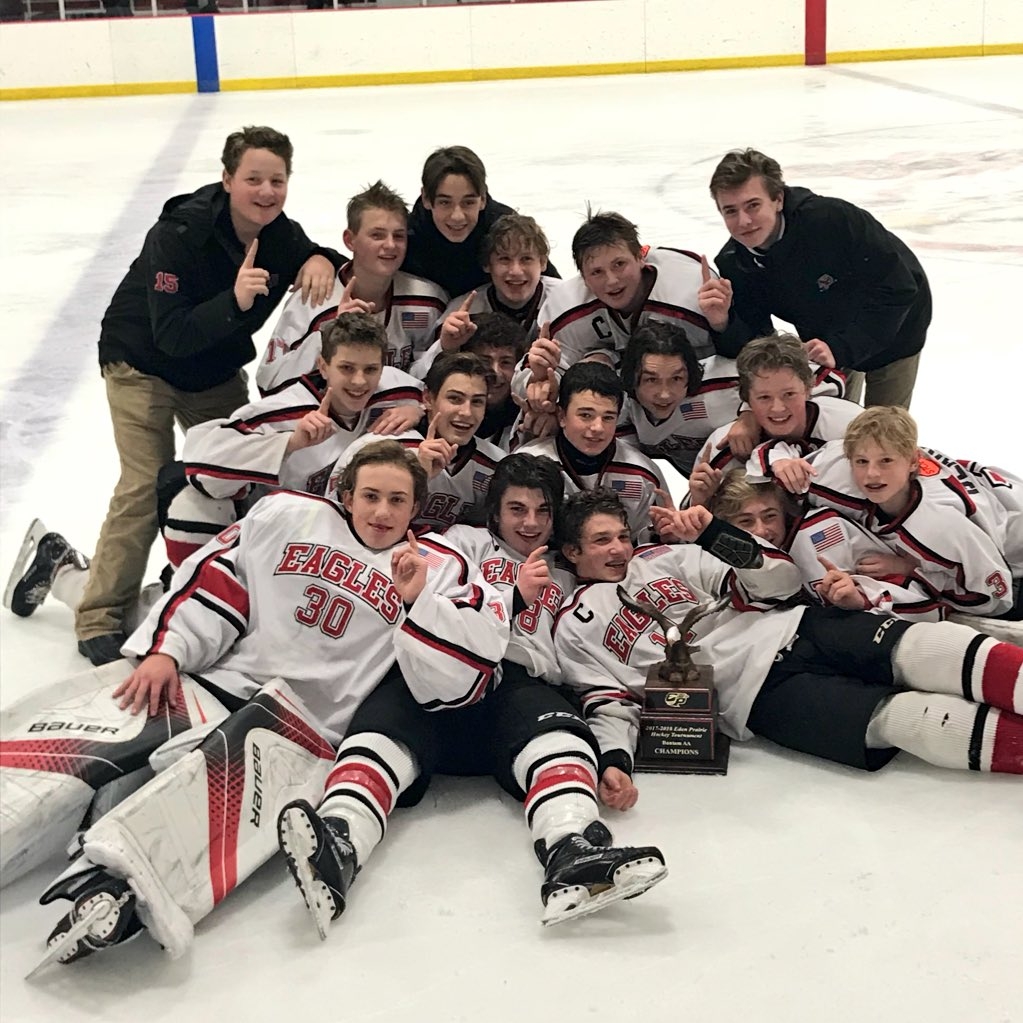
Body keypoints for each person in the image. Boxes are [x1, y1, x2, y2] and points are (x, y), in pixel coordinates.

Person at [20, 441, 510, 971]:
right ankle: (65, 830)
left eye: (398, 500)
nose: (382, 512)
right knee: (105, 760)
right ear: (346, 495)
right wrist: (169, 649)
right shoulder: (288, 515)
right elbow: (221, 578)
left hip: (304, 729)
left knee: (192, 806)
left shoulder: (436, 566)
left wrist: (419, 602)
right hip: (222, 682)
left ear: (417, 507)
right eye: (370, 496)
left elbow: (462, 677)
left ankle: (116, 892)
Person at [277, 452, 666, 936]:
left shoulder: (571, 573)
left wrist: (613, 754)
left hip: (517, 694)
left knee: (559, 731)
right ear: (494, 512)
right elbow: (428, 601)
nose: (530, 523)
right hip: (441, 680)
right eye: (517, 509)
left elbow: (592, 672)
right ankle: (340, 838)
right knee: (383, 724)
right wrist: (512, 597)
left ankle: (572, 846)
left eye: (543, 511)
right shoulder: (460, 543)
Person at [71, 126, 342, 669]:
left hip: (212, 369)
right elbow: (171, 334)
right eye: (253, 179)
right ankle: (99, 614)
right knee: (146, 481)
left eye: (277, 181)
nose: (266, 192)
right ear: (226, 179)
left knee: (238, 475)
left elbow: (313, 252)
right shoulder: (180, 233)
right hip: (142, 361)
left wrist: (321, 258)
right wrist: (234, 300)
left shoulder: (280, 235)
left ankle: (214, 590)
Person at [553, 490, 1023, 779]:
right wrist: (615, 760)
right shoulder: (573, 626)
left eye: (622, 536)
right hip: (755, 695)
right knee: (905, 721)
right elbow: (609, 703)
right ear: (572, 551)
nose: (619, 549)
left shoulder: (664, 558)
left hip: (797, 626)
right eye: (601, 541)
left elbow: (779, 583)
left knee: (929, 648)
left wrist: (717, 536)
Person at [161, 312, 424, 568]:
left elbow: (433, 394)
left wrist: (419, 411)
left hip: (347, 532)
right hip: (271, 531)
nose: (359, 381)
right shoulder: (286, 409)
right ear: (323, 366)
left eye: (371, 369)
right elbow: (201, 466)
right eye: (346, 368)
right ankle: (189, 583)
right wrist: (289, 443)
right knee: (190, 508)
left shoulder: (395, 389)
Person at [706, 147, 931, 408]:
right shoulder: (735, 263)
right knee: (835, 422)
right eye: (730, 211)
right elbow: (758, 341)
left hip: (897, 329)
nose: (743, 221)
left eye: (753, 205)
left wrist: (842, 348)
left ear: (778, 199)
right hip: (827, 335)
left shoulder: (833, 220)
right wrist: (724, 323)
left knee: (883, 427)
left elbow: (899, 288)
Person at [801, 407, 1022, 622]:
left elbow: (995, 599)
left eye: (886, 460)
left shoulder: (941, 524)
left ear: (914, 461)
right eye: (862, 461)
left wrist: (911, 569)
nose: (872, 473)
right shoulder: (836, 467)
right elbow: (791, 471)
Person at [257, 180, 447, 389]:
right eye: (377, 235)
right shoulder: (313, 300)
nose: (390, 244)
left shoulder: (428, 300)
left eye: (399, 236)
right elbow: (269, 384)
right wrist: (327, 338)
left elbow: (438, 382)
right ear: (349, 240)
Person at [707, 470, 947, 622]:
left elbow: (928, 603)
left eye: (770, 516)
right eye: (746, 522)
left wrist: (860, 598)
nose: (761, 531)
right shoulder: (725, 561)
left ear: (784, 512)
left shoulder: (821, 529)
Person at [618, 320, 844, 477]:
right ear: (630, 376)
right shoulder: (618, 405)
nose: (665, 393)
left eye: (677, 378)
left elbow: (826, 377)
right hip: (705, 478)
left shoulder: (719, 381)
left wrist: (749, 413)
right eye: (651, 380)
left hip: (772, 466)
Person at [335, 352, 506, 534]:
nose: (466, 412)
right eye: (455, 398)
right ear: (428, 399)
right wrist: (417, 477)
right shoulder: (377, 447)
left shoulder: (495, 465)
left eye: (477, 402)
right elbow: (337, 518)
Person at [692, 333, 860, 498]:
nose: (778, 408)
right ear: (746, 399)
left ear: (809, 389)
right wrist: (702, 500)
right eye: (764, 397)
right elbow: (694, 511)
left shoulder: (850, 426)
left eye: (789, 394)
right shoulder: (721, 448)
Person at [517, 362, 668, 543]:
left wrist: (668, 534)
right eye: (586, 415)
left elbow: (654, 542)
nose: (598, 428)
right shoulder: (526, 465)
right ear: (561, 416)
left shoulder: (644, 475)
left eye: (608, 417)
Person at [401, 146, 558, 299]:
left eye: (468, 202)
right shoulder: (406, 236)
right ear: (426, 199)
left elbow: (552, 286)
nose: (457, 216)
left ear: (482, 199)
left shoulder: (505, 230)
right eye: (445, 202)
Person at [415, 213, 559, 377]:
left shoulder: (564, 301)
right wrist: (446, 347)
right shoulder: (462, 313)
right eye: (504, 259)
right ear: (487, 265)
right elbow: (417, 376)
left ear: (543, 262)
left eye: (526, 259)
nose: (516, 271)